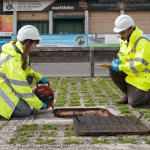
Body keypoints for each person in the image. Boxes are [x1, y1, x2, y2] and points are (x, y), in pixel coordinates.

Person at [0, 25, 48, 119]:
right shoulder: (12, 59)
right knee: (25, 111)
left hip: (5, 85)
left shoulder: (19, 53)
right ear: (27, 43)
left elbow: (24, 71)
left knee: (29, 78)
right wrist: (38, 104)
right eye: (34, 43)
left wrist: (37, 76)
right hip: (2, 92)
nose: (36, 47)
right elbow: (21, 86)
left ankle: (16, 100)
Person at [109, 14, 150, 108]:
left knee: (133, 103)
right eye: (119, 33)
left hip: (144, 78)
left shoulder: (143, 43)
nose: (121, 35)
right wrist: (119, 61)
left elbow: (139, 65)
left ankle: (142, 94)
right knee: (112, 70)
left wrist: (121, 67)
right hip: (134, 75)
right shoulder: (124, 40)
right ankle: (130, 94)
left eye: (123, 32)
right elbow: (123, 56)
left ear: (131, 29)